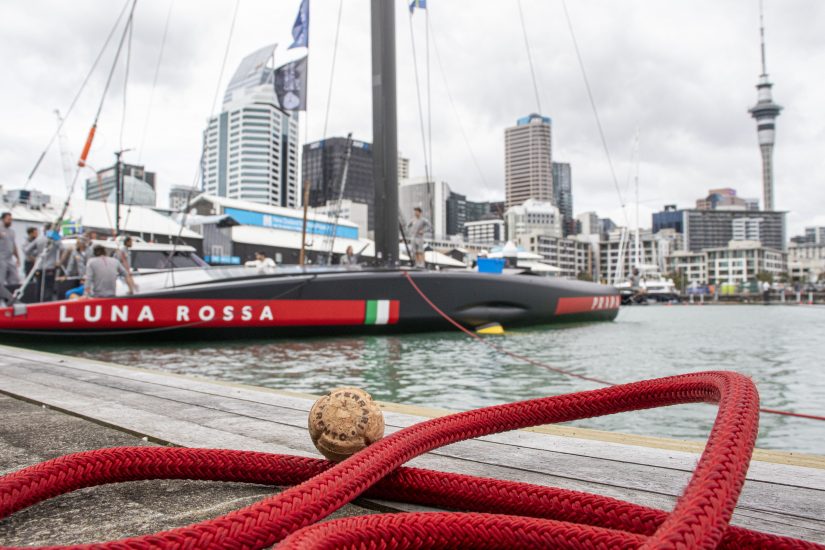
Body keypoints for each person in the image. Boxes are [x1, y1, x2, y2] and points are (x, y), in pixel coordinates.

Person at [24, 222, 62, 302]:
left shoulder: (39, 239)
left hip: (39, 267)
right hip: (50, 267)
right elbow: (63, 248)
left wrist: (35, 257)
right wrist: (60, 261)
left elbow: (27, 250)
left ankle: (37, 303)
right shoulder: (55, 238)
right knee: (49, 287)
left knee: (39, 286)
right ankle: (47, 304)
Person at [0, 212, 21, 306]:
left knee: (15, 280)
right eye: (8, 219)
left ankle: (12, 300)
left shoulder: (12, 231)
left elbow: (14, 245)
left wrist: (18, 258)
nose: (10, 221)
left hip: (10, 259)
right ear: (2, 219)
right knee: (0, 282)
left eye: (11, 220)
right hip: (1, 258)